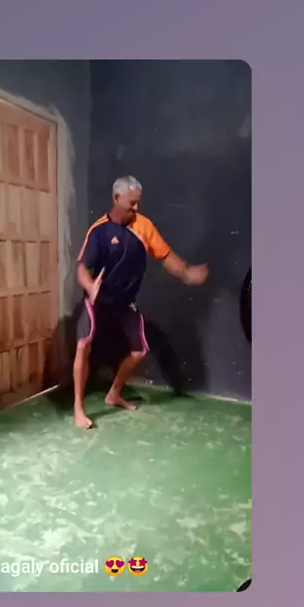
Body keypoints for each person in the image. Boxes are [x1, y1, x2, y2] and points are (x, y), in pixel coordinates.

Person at [73, 176, 209, 429]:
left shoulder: (144, 226)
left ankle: (114, 394)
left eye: (138, 203)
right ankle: (78, 409)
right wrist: (91, 287)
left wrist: (187, 273)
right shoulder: (99, 231)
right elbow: (82, 269)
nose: (136, 208)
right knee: (83, 345)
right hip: (98, 299)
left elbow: (166, 256)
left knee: (140, 352)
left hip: (125, 302)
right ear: (116, 198)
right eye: (132, 203)